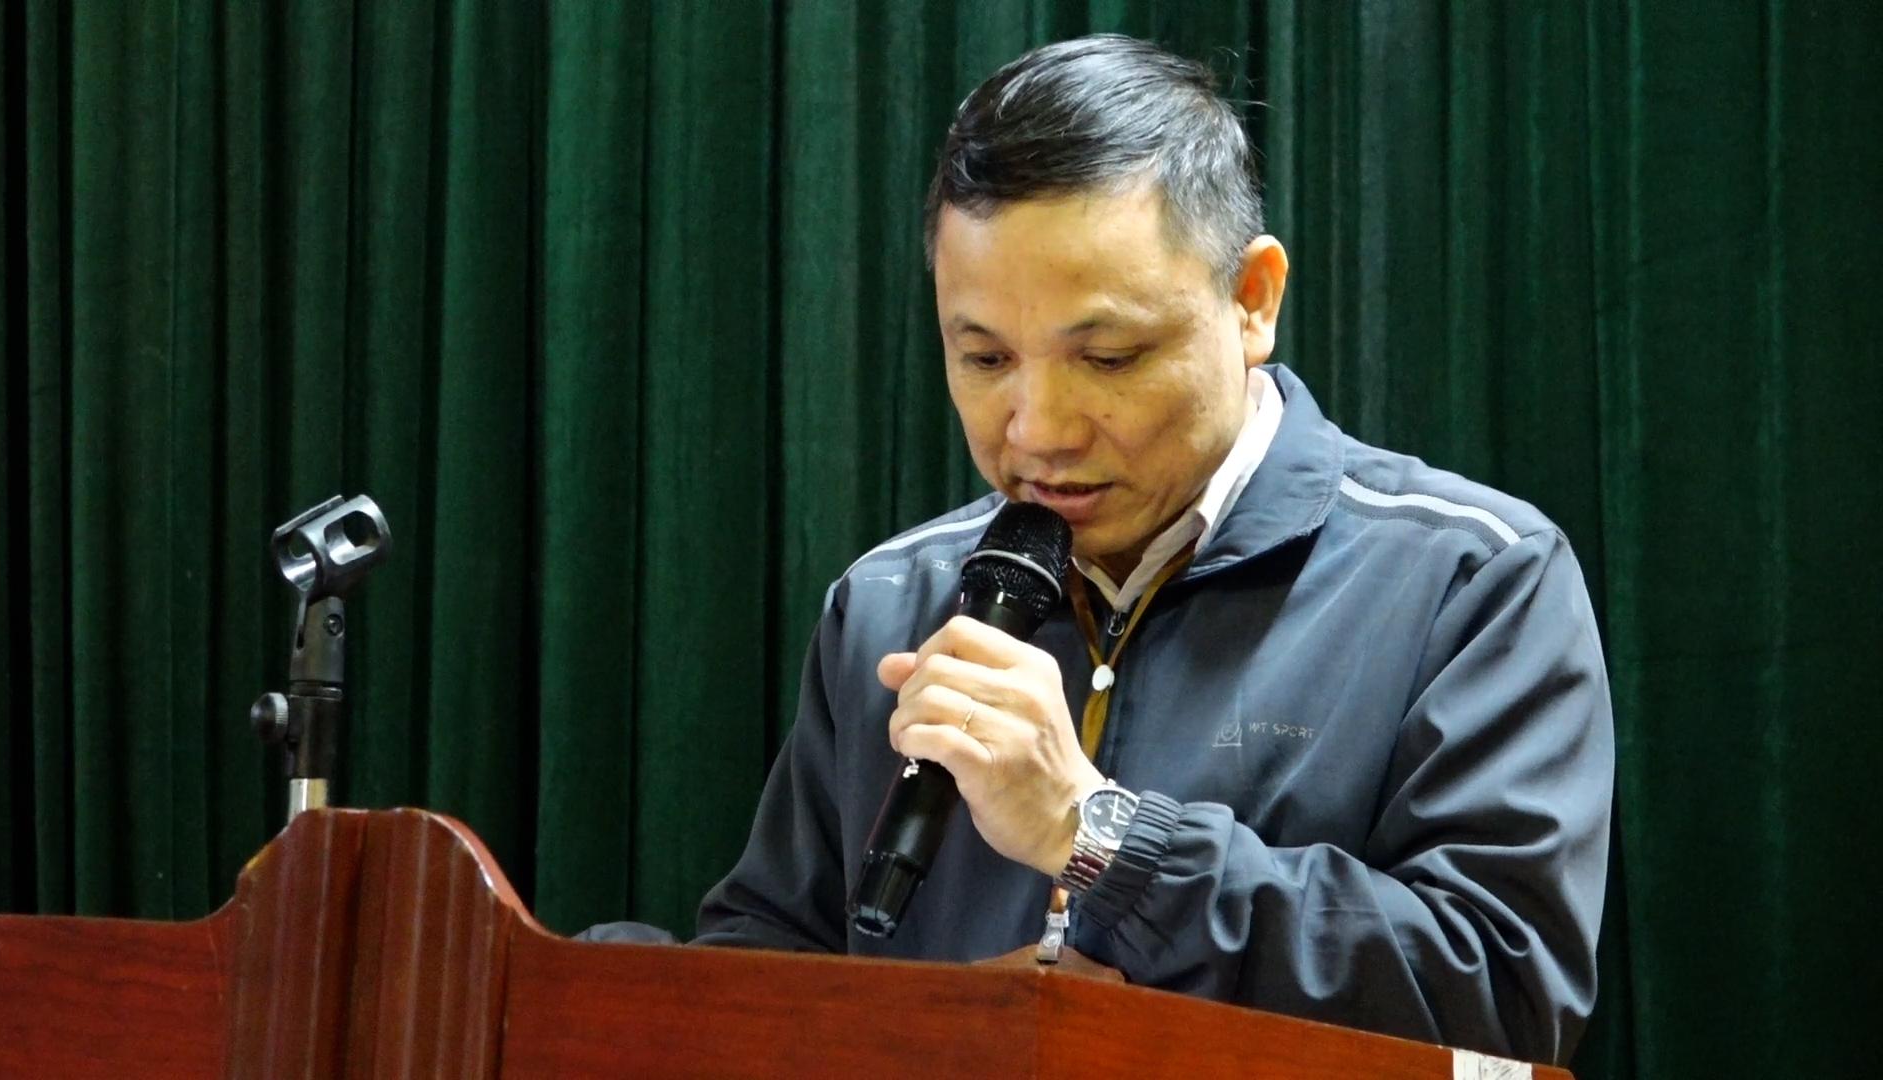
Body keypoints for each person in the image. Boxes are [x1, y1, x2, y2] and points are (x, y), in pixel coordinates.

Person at [595, 34, 1614, 1066]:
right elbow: (768, 969)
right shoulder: (892, 599)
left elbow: (1504, 1002)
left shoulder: (1472, 580)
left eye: (1109, 357)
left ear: (1253, 300)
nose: (1038, 430)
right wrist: (938, 1033)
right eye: (984, 357)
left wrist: (1102, 837)